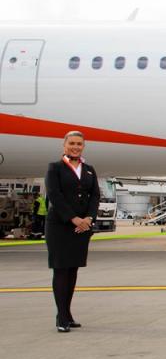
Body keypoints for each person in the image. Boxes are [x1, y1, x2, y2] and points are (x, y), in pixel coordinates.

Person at [45, 131, 100, 333]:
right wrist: (73, 218)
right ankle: (61, 316)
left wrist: (89, 218)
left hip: (82, 228)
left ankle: (67, 313)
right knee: (61, 270)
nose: (75, 147)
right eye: (72, 143)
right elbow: (55, 195)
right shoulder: (55, 168)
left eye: (79, 144)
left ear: (83, 146)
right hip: (60, 226)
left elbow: (95, 196)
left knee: (73, 271)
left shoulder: (89, 170)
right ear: (64, 145)